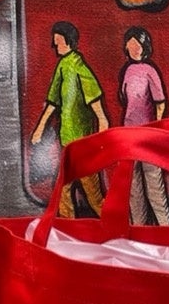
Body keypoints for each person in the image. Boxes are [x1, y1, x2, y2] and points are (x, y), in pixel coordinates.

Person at [31, 20, 110, 218]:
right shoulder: (62, 66)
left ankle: (114, 225)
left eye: (57, 41)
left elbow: (95, 101)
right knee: (63, 190)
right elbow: (52, 102)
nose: (54, 45)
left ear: (67, 41)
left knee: (93, 194)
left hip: (82, 143)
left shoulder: (79, 67)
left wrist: (103, 124)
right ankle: (68, 226)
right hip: (67, 141)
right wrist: (40, 128)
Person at [118, 26, 169, 226]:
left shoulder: (150, 71)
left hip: (148, 136)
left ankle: (166, 229)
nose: (134, 49)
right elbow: (125, 101)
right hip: (129, 136)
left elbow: (160, 103)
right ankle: (138, 229)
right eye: (131, 45)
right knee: (134, 187)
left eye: (138, 45)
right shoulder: (127, 71)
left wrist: (156, 129)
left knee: (154, 186)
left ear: (145, 47)